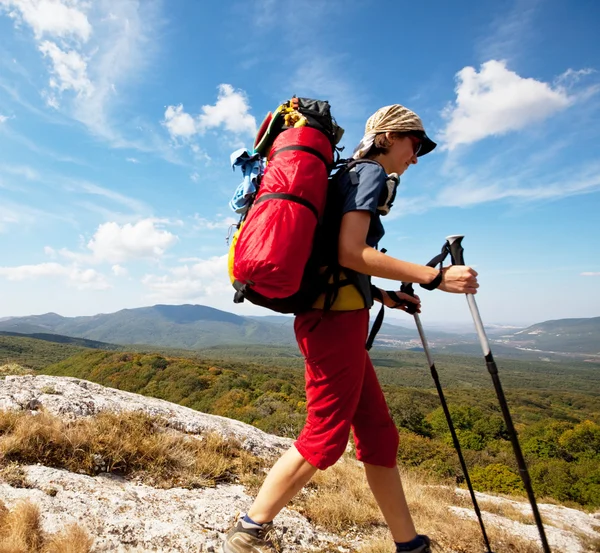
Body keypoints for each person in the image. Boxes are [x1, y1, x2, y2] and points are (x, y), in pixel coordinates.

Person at [222, 104, 479, 553]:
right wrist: (434, 277)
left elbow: (329, 257)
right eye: (414, 143)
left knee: (380, 435)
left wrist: (382, 296)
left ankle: (409, 544)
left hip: (339, 315)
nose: (416, 157)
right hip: (333, 323)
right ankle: (247, 532)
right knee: (324, 437)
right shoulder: (368, 175)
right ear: (387, 137)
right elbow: (349, 252)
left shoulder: (345, 175)